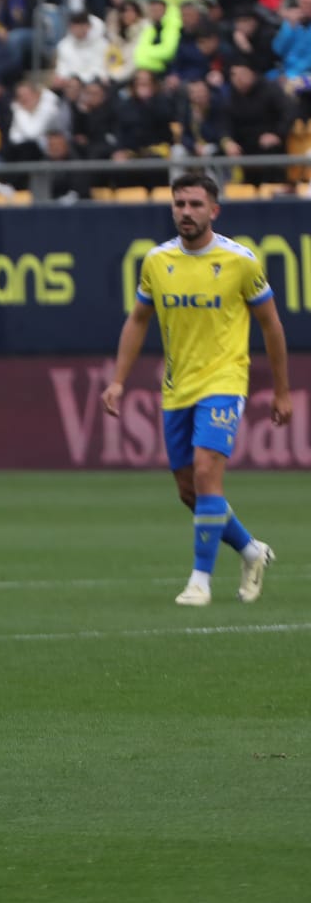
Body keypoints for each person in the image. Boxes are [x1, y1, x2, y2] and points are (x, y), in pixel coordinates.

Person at [101, 171, 289, 606]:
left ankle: (199, 581)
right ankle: (250, 550)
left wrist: (282, 390)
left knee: (207, 472)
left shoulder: (240, 261)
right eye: (180, 204)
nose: (186, 212)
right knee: (191, 491)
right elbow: (138, 320)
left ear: (214, 210)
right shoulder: (156, 262)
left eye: (195, 204)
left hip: (224, 380)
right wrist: (117, 381)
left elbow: (271, 325)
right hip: (177, 388)